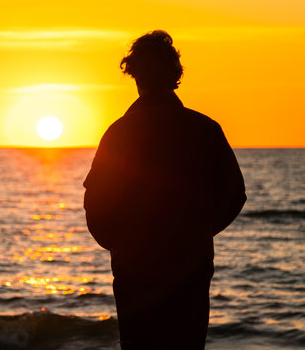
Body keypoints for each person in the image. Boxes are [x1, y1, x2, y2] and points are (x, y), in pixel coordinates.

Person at [83, 30, 246, 349]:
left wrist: (121, 244)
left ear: (134, 75)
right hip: (189, 266)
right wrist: (197, 234)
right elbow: (234, 194)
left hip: (136, 270)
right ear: (176, 75)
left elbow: (96, 205)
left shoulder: (120, 133)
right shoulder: (204, 128)